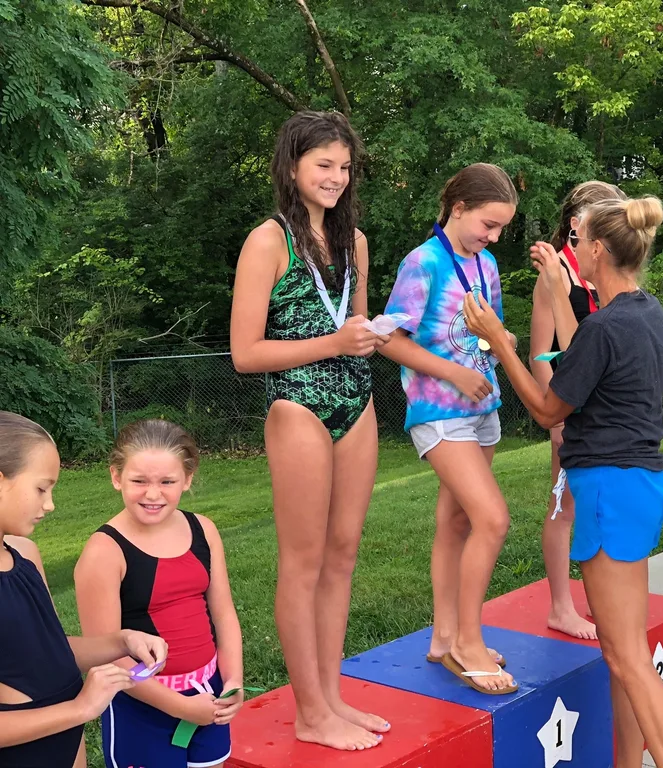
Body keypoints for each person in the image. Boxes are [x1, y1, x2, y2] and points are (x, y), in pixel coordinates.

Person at [463, 195, 663, 767]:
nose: (574, 250)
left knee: (628, 660)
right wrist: (558, 293)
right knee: (626, 654)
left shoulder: (607, 328)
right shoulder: (645, 312)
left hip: (607, 491)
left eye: (580, 241)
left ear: (598, 250)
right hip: (639, 486)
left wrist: (497, 340)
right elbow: (587, 349)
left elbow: (546, 408)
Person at [230, 111, 389, 748]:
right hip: (296, 405)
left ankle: (331, 696)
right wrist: (333, 339)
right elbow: (245, 353)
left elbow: (353, 330)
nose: (335, 177)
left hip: (356, 403)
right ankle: (309, 711)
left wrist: (367, 339)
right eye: (324, 164)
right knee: (303, 561)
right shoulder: (267, 240)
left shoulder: (356, 242)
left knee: (343, 553)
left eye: (345, 166)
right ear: (292, 166)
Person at [379, 163, 519, 694]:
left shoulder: (485, 263)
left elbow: (489, 330)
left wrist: (493, 351)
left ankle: (443, 637)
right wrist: (454, 371)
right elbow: (388, 338)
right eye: (488, 223)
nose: (493, 236)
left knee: (457, 522)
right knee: (494, 520)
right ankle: (468, 641)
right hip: (439, 412)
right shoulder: (424, 262)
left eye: (501, 228)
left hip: (483, 407)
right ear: (457, 208)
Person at [0, 411, 167, 768]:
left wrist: (123, 642)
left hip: (67, 743)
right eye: (41, 488)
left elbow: (50, 650)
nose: (50, 504)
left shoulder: (24, 557)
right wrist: (80, 707)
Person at [75, 419, 244, 768]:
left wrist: (234, 681)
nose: (153, 495)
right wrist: (181, 707)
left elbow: (224, 615)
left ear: (188, 479)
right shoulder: (104, 551)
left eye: (167, 482)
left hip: (209, 694)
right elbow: (105, 655)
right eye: (139, 481)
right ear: (116, 477)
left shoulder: (204, 530)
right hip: (142, 706)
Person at [530, 180, 626, 641]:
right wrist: (556, 418)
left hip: (605, 410)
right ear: (576, 224)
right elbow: (539, 354)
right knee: (562, 505)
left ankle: (598, 597)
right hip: (571, 410)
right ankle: (560, 606)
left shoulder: (607, 273)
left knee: (600, 504)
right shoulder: (555, 277)